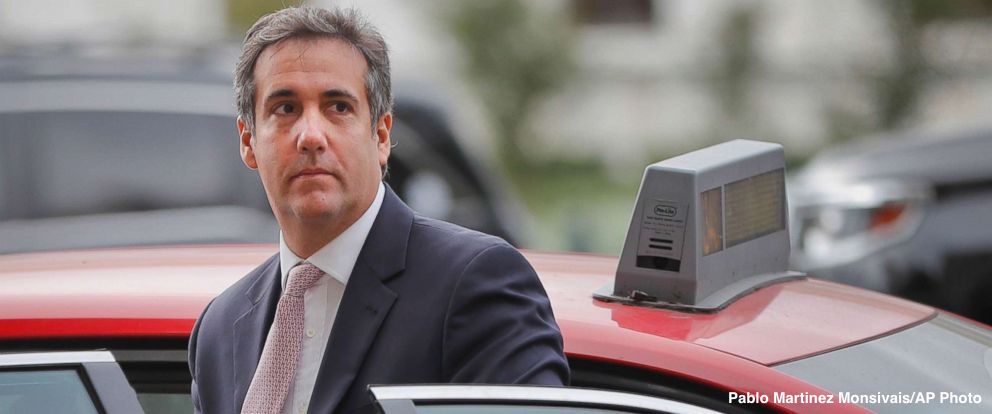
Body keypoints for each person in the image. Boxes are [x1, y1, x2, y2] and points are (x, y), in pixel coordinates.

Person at [187, 6, 568, 414]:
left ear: (382, 135)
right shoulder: (219, 329)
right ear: (248, 141)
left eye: (338, 107)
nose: (311, 135)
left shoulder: (476, 283)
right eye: (285, 108)